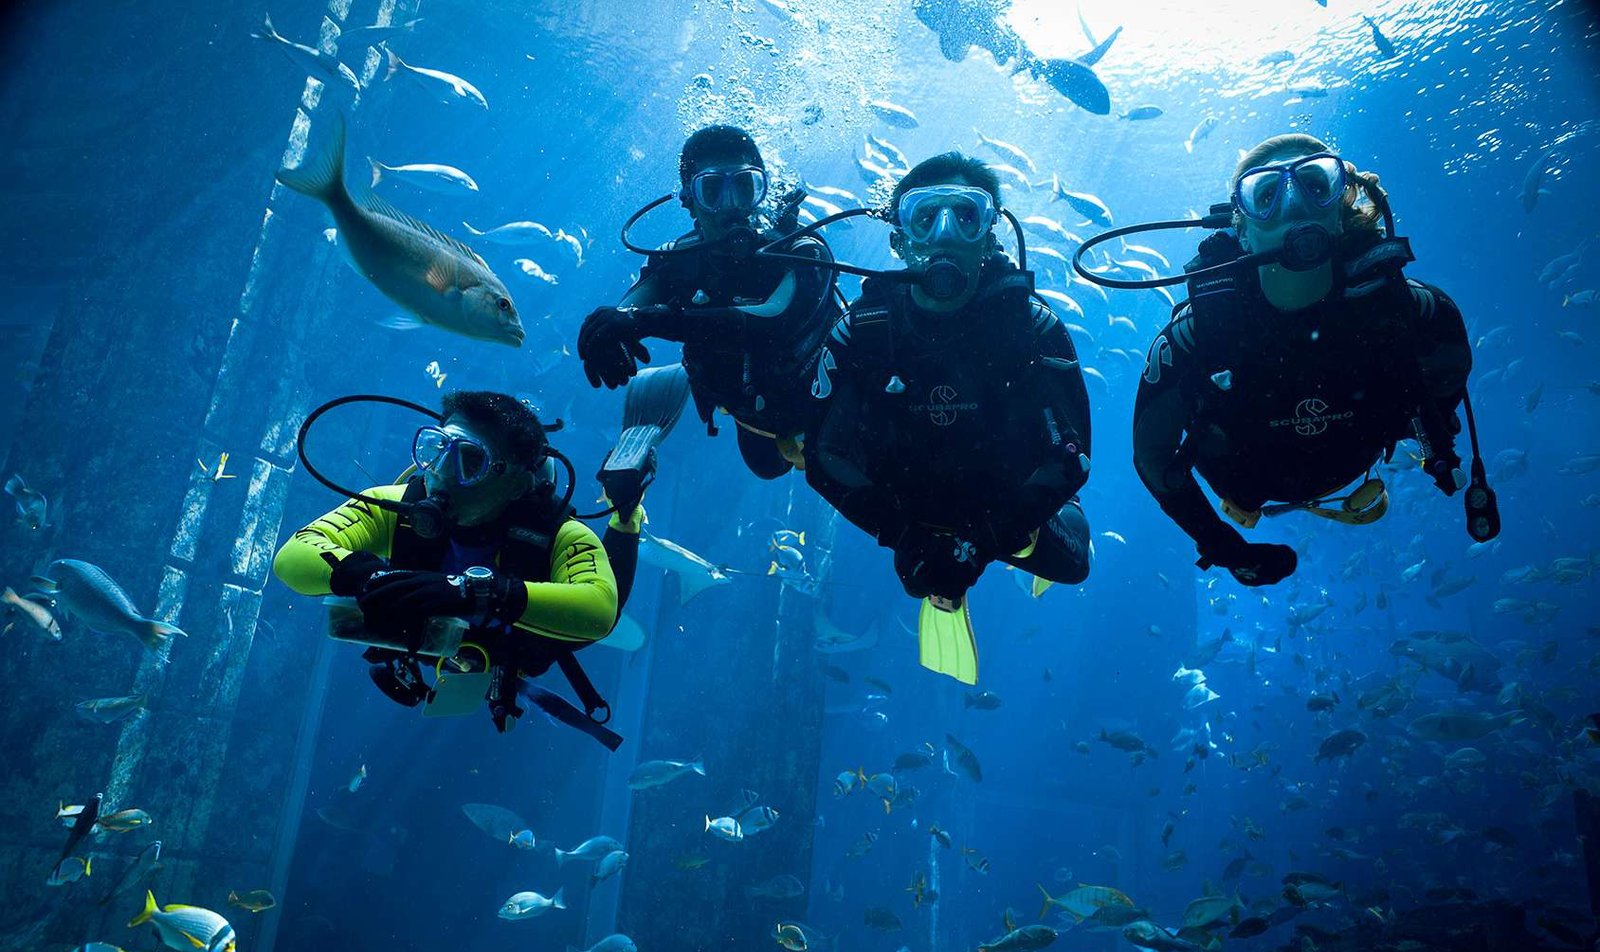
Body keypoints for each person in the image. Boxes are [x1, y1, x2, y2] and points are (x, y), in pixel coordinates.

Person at [1132, 134, 1478, 588]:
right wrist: (1222, 544)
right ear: (1241, 227)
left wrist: (1427, 426)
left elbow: (1451, 366)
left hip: (1345, 466)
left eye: (1315, 183)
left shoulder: (1403, 309)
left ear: (1340, 207)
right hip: (1255, 487)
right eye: (1267, 193)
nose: (1292, 202)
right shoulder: (1196, 336)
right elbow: (1151, 453)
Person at [803, 152, 1093, 682]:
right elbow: (823, 455)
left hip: (1005, 497)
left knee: (1073, 566)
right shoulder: (863, 331)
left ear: (990, 236)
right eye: (923, 216)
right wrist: (899, 533)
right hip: (904, 500)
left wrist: (988, 538)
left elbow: (1071, 458)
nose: (944, 234)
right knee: (900, 582)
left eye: (966, 216)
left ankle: (1023, 539)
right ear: (899, 239)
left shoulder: (1032, 327)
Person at [273, 390, 639, 746]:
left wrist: (482, 594)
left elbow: (599, 607)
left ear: (516, 484)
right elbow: (293, 556)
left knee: (609, 604)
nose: (442, 472)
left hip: (517, 654)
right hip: (427, 654)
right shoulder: (395, 507)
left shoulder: (559, 534)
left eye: (470, 461)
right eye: (436, 449)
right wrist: (365, 576)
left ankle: (626, 518)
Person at [577, 125, 841, 489]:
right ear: (689, 201)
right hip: (749, 414)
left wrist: (646, 321)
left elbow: (775, 321)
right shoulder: (678, 260)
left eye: (745, 186)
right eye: (713, 190)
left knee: (828, 471)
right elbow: (626, 312)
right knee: (765, 468)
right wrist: (604, 330)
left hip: (827, 406)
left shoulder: (803, 252)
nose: (732, 205)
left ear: (762, 193)